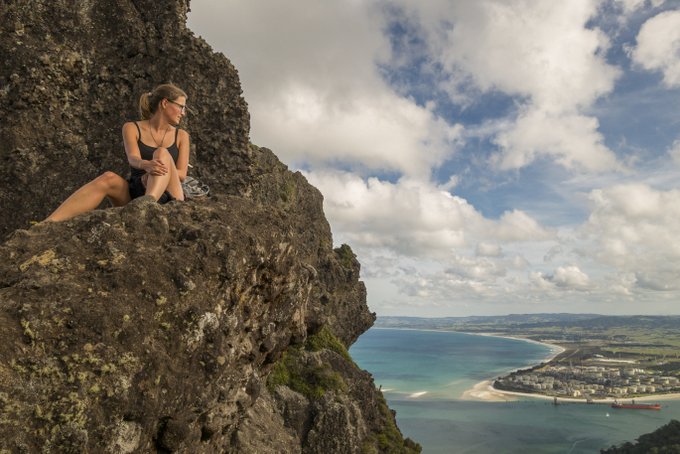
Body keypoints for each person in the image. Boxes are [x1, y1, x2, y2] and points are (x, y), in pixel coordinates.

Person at [45, 83, 190, 222]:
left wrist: (155, 172)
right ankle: (49, 223)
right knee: (108, 178)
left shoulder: (182, 136)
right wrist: (146, 165)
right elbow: (133, 158)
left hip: (170, 194)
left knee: (162, 153)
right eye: (181, 107)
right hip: (138, 189)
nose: (183, 113)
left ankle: (147, 205)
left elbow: (182, 175)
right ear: (165, 103)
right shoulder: (132, 128)